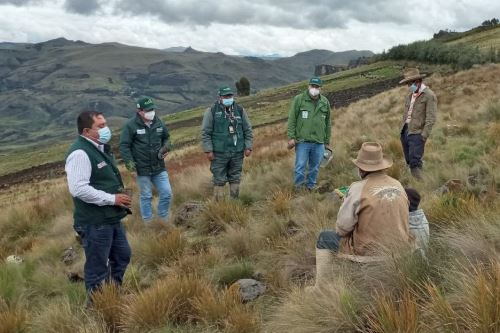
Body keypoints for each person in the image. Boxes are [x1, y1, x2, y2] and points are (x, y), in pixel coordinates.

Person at [311, 142, 411, 287]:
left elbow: (342, 228)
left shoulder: (357, 188)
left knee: (324, 237)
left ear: (361, 169)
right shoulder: (398, 184)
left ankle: (319, 287)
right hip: (400, 251)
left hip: (369, 255)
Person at [65, 111, 132, 299]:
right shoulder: (80, 153)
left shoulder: (99, 147)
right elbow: (78, 189)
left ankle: (112, 295)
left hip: (111, 217)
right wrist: (113, 199)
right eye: (101, 126)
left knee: (122, 256)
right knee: (97, 266)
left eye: (105, 124)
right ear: (87, 131)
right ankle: (97, 307)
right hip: (94, 222)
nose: (106, 129)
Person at [119, 97, 172, 223]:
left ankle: (162, 220)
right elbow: (124, 146)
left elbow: (167, 138)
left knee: (167, 193)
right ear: (139, 111)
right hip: (141, 169)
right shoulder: (130, 126)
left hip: (159, 167)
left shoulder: (159, 122)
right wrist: (131, 167)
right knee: (146, 196)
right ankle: (148, 223)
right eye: (148, 110)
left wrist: (166, 148)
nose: (151, 112)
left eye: (152, 109)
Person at [201, 86, 253, 199]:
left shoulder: (240, 110)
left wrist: (248, 146)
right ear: (220, 97)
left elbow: (247, 129)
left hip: (237, 151)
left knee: (235, 178)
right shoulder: (212, 111)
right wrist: (208, 150)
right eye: (226, 96)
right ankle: (219, 207)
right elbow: (206, 132)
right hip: (219, 153)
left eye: (230, 96)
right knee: (219, 180)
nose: (229, 98)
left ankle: (234, 203)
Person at [287, 77, 332, 191]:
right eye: (312, 86)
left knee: (315, 167)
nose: (314, 89)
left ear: (320, 88)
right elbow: (292, 119)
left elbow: (328, 122)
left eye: (317, 87)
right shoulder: (299, 99)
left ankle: (311, 187)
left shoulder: (325, 102)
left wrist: (326, 141)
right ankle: (298, 188)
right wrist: (291, 137)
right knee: (300, 166)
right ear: (308, 86)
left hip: (319, 142)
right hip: (302, 141)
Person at [399, 68, 438, 180]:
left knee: (414, 162)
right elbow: (406, 113)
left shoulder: (429, 95)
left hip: (417, 133)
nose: (409, 86)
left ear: (418, 81)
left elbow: (431, 118)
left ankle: (421, 184)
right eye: (407, 84)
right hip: (405, 131)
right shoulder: (409, 95)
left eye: (410, 83)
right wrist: (402, 130)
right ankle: (414, 178)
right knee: (409, 160)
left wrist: (423, 135)